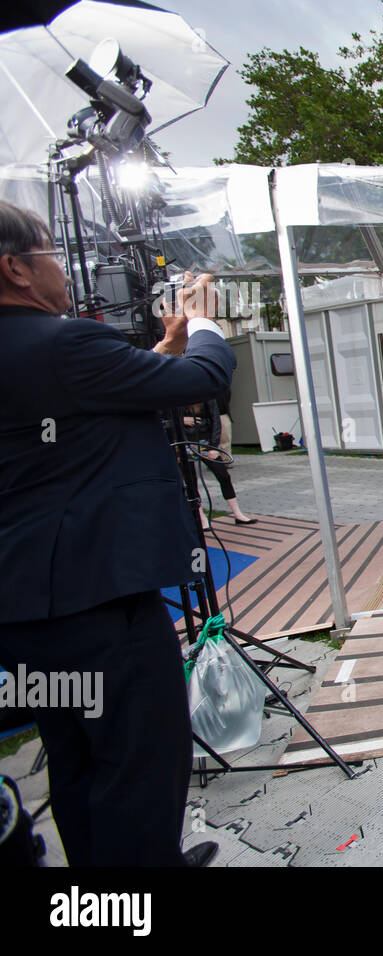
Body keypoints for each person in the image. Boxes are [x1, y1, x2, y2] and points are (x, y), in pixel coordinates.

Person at [0, 200, 235, 866]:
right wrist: (206, 323)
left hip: (24, 609)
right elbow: (205, 378)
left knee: (76, 762)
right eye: (50, 254)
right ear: (15, 267)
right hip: (99, 603)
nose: (63, 268)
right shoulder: (61, 342)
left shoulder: (41, 355)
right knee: (138, 766)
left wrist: (165, 345)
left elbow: (92, 409)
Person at [183, 400, 257, 527]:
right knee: (191, 482)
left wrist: (213, 446)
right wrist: (182, 420)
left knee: (223, 476)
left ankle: (237, 514)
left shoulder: (207, 396)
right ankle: (201, 518)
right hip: (185, 443)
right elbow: (165, 419)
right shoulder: (175, 397)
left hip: (206, 441)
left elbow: (216, 421)